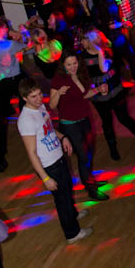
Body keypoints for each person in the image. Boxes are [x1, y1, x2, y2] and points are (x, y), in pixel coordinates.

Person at [17, 79, 93, 244]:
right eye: (33, 97)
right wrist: (45, 178)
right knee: (62, 200)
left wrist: (63, 137)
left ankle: (73, 215)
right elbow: (31, 153)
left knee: (67, 191)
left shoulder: (40, 107)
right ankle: (72, 234)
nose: (39, 99)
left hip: (58, 158)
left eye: (39, 94)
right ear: (24, 98)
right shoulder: (26, 120)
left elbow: (49, 129)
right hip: (49, 166)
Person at [50, 51, 109, 202]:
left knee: (89, 153)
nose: (72, 67)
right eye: (69, 64)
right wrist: (58, 93)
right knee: (83, 156)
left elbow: (83, 95)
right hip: (70, 125)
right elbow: (52, 105)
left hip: (84, 120)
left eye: (74, 63)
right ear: (63, 65)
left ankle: (90, 180)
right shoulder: (59, 80)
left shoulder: (81, 75)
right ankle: (91, 188)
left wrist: (98, 90)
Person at [80, 28, 135, 161]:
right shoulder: (82, 57)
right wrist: (93, 88)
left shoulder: (107, 50)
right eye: (83, 39)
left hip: (115, 90)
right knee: (106, 122)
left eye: (85, 39)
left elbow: (103, 68)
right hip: (99, 96)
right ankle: (112, 148)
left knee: (123, 118)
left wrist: (99, 51)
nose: (82, 42)